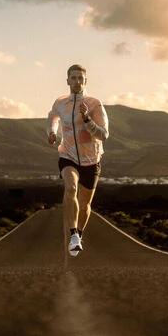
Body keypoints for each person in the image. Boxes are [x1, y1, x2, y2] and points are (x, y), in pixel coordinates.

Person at [47, 64, 109, 256]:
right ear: (67, 81)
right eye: (73, 78)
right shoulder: (60, 102)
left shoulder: (94, 104)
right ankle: (72, 233)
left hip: (91, 159)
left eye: (80, 78)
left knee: (85, 205)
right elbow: (52, 117)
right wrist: (51, 132)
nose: (76, 82)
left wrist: (87, 119)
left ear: (85, 81)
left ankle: (78, 236)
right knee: (71, 188)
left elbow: (104, 135)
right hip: (68, 155)